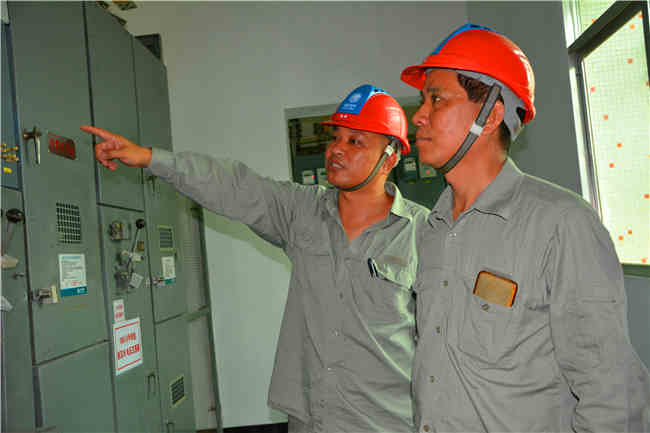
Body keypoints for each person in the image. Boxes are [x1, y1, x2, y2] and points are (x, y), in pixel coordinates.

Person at [81, 84, 429, 433]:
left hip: (386, 422)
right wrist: (150, 158)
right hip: (313, 420)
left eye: (355, 141)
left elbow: (441, 341)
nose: (337, 149)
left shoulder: (423, 233)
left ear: (390, 157)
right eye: (335, 138)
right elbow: (233, 185)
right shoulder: (301, 211)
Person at [400, 23, 650, 432]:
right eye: (422, 100)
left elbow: (612, 395)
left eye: (437, 99)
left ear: (491, 115)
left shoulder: (561, 224)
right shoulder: (434, 229)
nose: (419, 115)